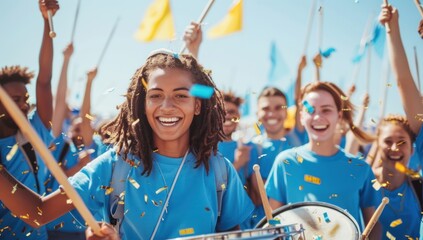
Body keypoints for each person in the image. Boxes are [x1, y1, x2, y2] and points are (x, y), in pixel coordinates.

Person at [0, 49, 254, 240]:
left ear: (197, 105)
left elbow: (233, 232)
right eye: (156, 95)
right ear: (142, 104)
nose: (167, 106)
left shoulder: (219, 169)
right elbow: (36, 213)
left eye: (180, 95)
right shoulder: (115, 165)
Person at [265, 81, 382, 239]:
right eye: (310, 110)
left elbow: (374, 226)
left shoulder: (361, 168)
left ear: (339, 116)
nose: (318, 117)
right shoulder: (285, 162)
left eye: (326, 110)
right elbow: (273, 224)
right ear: (301, 116)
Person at [0, 1, 59, 239]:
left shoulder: (35, 131)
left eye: (25, 98)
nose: (24, 105)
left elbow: (44, 80)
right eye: (15, 99)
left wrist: (47, 21)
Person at [365, 5, 423, 239]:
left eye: (402, 142)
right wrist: (393, 30)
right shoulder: (361, 181)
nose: (395, 148)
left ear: (412, 147)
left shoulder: (417, 188)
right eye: (388, 141)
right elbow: (403, 82)